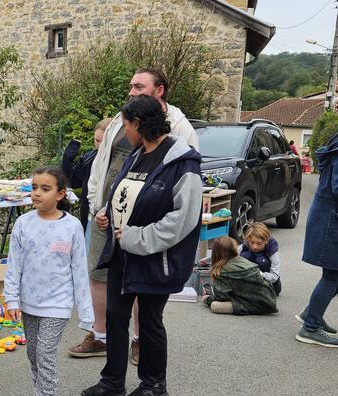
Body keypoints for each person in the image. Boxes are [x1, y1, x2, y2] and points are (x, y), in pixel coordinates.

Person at [70, 67, 199, 362]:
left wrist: (141, 232)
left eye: (138, 86)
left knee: (142, 289)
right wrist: (98, 204)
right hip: (108, 216)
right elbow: (103, 165)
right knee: (101, 279)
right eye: (131, 85)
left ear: (159, 90)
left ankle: (141, 344)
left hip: (144, 227)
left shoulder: (179, 129)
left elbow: (183, 192)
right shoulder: (121, 124)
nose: (131, 91)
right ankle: (101, 338)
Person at [4, 166, 93, 396]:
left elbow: (79, 271)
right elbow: (14, 265)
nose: (37, 193)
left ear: (60, 194)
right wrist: (11, 299)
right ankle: (41, 392)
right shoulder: (23, 224)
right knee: (33, 352)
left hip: (58, 304)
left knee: (45, 352)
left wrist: (86, 314)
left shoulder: (72, 226)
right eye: (34, 188)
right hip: (29, 303)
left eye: (45, 189)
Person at [297, 133, 338, 347]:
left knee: (333, 275)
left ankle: (311, 314)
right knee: (333, 275)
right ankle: (310, 327)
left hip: (328, 218)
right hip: (331, 221)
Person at [202, 236, 278, 315]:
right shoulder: (241, 260)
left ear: (215, 252)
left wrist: (207, 299)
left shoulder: (222, 271)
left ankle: (252, 308)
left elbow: (221, 297)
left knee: (215, 306)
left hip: (257, 304)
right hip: (269, 298)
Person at [61, 118, 112, 234]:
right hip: (90, 215)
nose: (99, 145)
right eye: (97, 140)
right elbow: (73, 182)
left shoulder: (122, 160)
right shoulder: (89, 158)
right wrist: (67, 159)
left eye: (103, 141)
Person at [238, 222, 281, 295]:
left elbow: (275, 275)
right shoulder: (245, 245)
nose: (255, 247)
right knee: (245, 256)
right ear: (248, 240)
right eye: (252, 243)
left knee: (261, 261)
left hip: (270, 283)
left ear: (266, 241)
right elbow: (232, 258)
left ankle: (265, 289)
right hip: (251, 281)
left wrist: (260, 274)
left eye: (259, 244)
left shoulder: (272, 248)